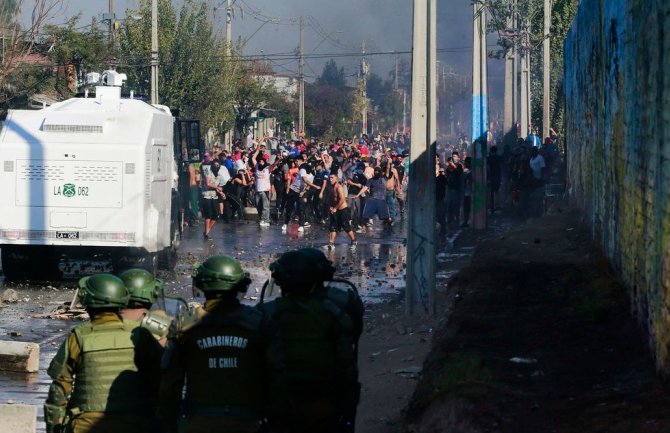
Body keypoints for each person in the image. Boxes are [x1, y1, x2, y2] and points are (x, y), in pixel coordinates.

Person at [158, 256, 284, 433]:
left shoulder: (185, 323)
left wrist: (168, 422)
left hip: (199, 422)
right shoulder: (257, 321)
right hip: (248, 422)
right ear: (241, 286)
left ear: (201, 284)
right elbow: (276, 375)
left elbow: (170, 382)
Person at [44, 274, 162, 433]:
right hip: (134, 424)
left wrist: (54, 427)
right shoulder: (140, 334)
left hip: (86, 426)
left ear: (87, 302)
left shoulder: (78, 336)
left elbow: (59, 388)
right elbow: (162, 378)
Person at [257, 251, 358, 433]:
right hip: (325, 404)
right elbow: (348, 364)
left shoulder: (267, 314)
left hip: (281, 406)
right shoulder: (335, 312)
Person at [326, 173, 357, 250]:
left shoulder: (339, 187)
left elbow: (342, 199)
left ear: (336, 179)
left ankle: (353, 241)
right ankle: (331, 243)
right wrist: (330, 207)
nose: (330, 179)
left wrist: (335, 208)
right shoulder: (330, 187)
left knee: (346, 226)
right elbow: (332, 198)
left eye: (332, 178)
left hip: (343, 210)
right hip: (335, 209)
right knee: (333, 226)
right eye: (330, 178)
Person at [251, 147, 272, 227]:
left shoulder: (268, 168)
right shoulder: (256, 166)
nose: (260, 162)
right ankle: (261, 219)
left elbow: (274, 165)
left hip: (265, 190)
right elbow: (253, 158)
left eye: (262, 161)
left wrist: (279, 160)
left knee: (265, 206)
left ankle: (266, 220)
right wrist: (257, 150)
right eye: (259, 161)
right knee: (258, 206)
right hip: (258, 190)